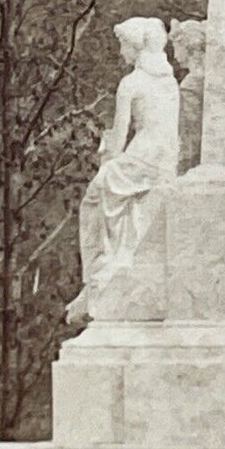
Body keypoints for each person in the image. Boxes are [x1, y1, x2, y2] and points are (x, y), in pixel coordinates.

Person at [67, 17, 179, 324]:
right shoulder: (169, 82)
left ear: (135, 47)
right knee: (118, 202)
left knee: (93, 197)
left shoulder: (130, 84)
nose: (121, 52)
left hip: (141, 159)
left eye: (122, 45)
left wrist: (106, 157)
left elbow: (119, 138)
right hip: (166, 159)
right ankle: (111, 264)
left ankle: (95, 277)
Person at [168, 18, 206, 174]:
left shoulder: (190, 84)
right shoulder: (206, 77)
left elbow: (190, 135)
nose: (175, 54)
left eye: (176, 47)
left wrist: (182, 167)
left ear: (188, 47)